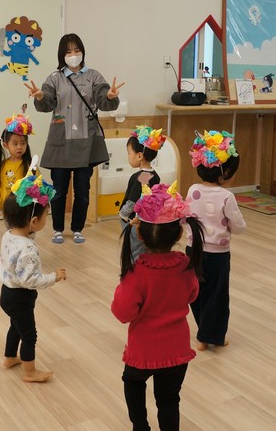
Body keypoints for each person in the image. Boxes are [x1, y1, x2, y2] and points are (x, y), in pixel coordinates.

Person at [112, 182, 205, 431]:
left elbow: (123, 313)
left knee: (132, 382)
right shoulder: (185, 265)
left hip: (143, 349)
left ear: (139, 234)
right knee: (169, 400)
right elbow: (193, 295)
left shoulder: (137, 272)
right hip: (177, 348)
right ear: (178, 234)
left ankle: (140, 426)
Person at [23, 33, 123, 244]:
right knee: (59, 191)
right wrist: (40, 96)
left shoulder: (94, 76)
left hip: (87, 141)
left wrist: (110, 97)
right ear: (62, 55)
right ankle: (58, 229)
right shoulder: (54, 78)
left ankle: (77, 228)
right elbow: (47, 101)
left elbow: (103, 98)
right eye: (69, 51)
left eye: (77, 50)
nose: (74, 55)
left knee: (82, 191)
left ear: (83, 52)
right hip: (61, 142)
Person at [0, 171, 66, 382]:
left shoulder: (9, 235)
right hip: (20, 297)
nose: (47, 219)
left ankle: (10, 357)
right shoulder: (28, 249)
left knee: (16, 326)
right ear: (34, 221)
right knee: (29, 335)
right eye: (46, 216)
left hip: (7, 293)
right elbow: (31, 281)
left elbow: (5, 259)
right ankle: (30, 372)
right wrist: (53, 277)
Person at [186, 130, 247, 351]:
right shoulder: (226, 196)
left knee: (196, 291)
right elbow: (238, 226)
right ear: (225, 173)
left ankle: (203, 333)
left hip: (192, 250)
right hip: (218, 255)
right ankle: (210, 336)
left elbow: (186, 217)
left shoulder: (193, 190)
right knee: (217, 296)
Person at [119, 125, 164, 262]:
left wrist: (123, 215)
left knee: (135, 251)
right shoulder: (154, 175)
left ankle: (136, 271)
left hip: (135, 222)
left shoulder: (142, 176)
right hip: (148, 221)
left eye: (129, 153)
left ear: (139, 155)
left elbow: (133, 201)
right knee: (145, 249)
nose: (128, 156)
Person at [0, 114, 33, 219]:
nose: (19, 147)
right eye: (15, 144)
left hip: (25, 207)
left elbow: (37, 184)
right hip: (8, 208)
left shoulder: (29, 165)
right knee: (10, 228)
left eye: (23, 143)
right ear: (6, 145)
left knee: (23, 228)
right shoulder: (3, 165)